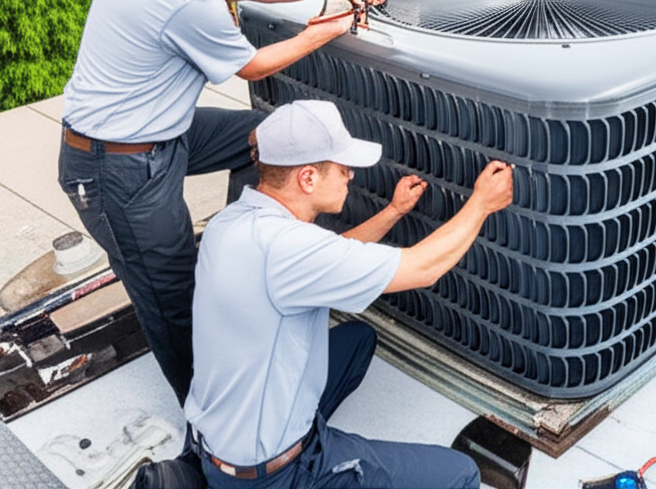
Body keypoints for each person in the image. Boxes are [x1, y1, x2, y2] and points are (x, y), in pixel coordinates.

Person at [57, 0, 389, 408]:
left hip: (161, 134)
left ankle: (243, 248)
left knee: (268, 136)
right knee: (176, 304)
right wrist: (332, 28)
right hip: (118, 168)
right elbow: (254, 65)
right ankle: (213, 428)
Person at [183, 100, 514, 488]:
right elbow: (424, 268)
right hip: (273, 473)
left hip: (217, 438)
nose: (351, 176)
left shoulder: (233, 222)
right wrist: (481, 204)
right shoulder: (286, 250)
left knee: (359, 340)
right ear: (307, 178)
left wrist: (393, 211)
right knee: (460, 474)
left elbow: (327, 258)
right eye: (342, 168)